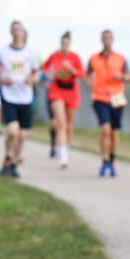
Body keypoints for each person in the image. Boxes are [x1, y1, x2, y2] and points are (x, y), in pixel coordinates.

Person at [0, 21, 41, 177]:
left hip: (26, 98)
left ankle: (13, 162)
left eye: (19, 30)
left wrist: (32, 79)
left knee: (22, 136)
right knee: (13, 132)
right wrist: (1, 79)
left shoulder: (30, 53)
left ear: (23, 33)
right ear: (10, 32)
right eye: (14, 30)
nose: (16, 32)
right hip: (9, 96)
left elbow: (36, 73)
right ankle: (8, 156)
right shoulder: (2, 52)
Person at [87, 29, 130, 177]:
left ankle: (112, 162)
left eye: (109, 38)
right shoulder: (94, 58)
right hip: (100, 97)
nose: (107, 40)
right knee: (105, 129)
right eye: (105, 38)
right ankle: (104, 160)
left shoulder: (120, 58)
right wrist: (91, 85)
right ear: (101, 40)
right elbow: (85, 74)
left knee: (114, 132)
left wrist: (121, 77)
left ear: (112, 40)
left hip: (117, 97)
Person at [43, 31, 85, 168]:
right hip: (57, 91)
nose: (65, 45)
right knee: (61, 124)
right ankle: (63, 156)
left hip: (71, 92)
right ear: (60, 43)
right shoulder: (54, 56)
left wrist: (71, 69)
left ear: (70, 43)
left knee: (69, 124)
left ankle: (65, 146)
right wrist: (49, 74)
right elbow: (44, 68)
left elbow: (81, 73)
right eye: (63, 42)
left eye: (67, 42)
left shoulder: (75, 57)